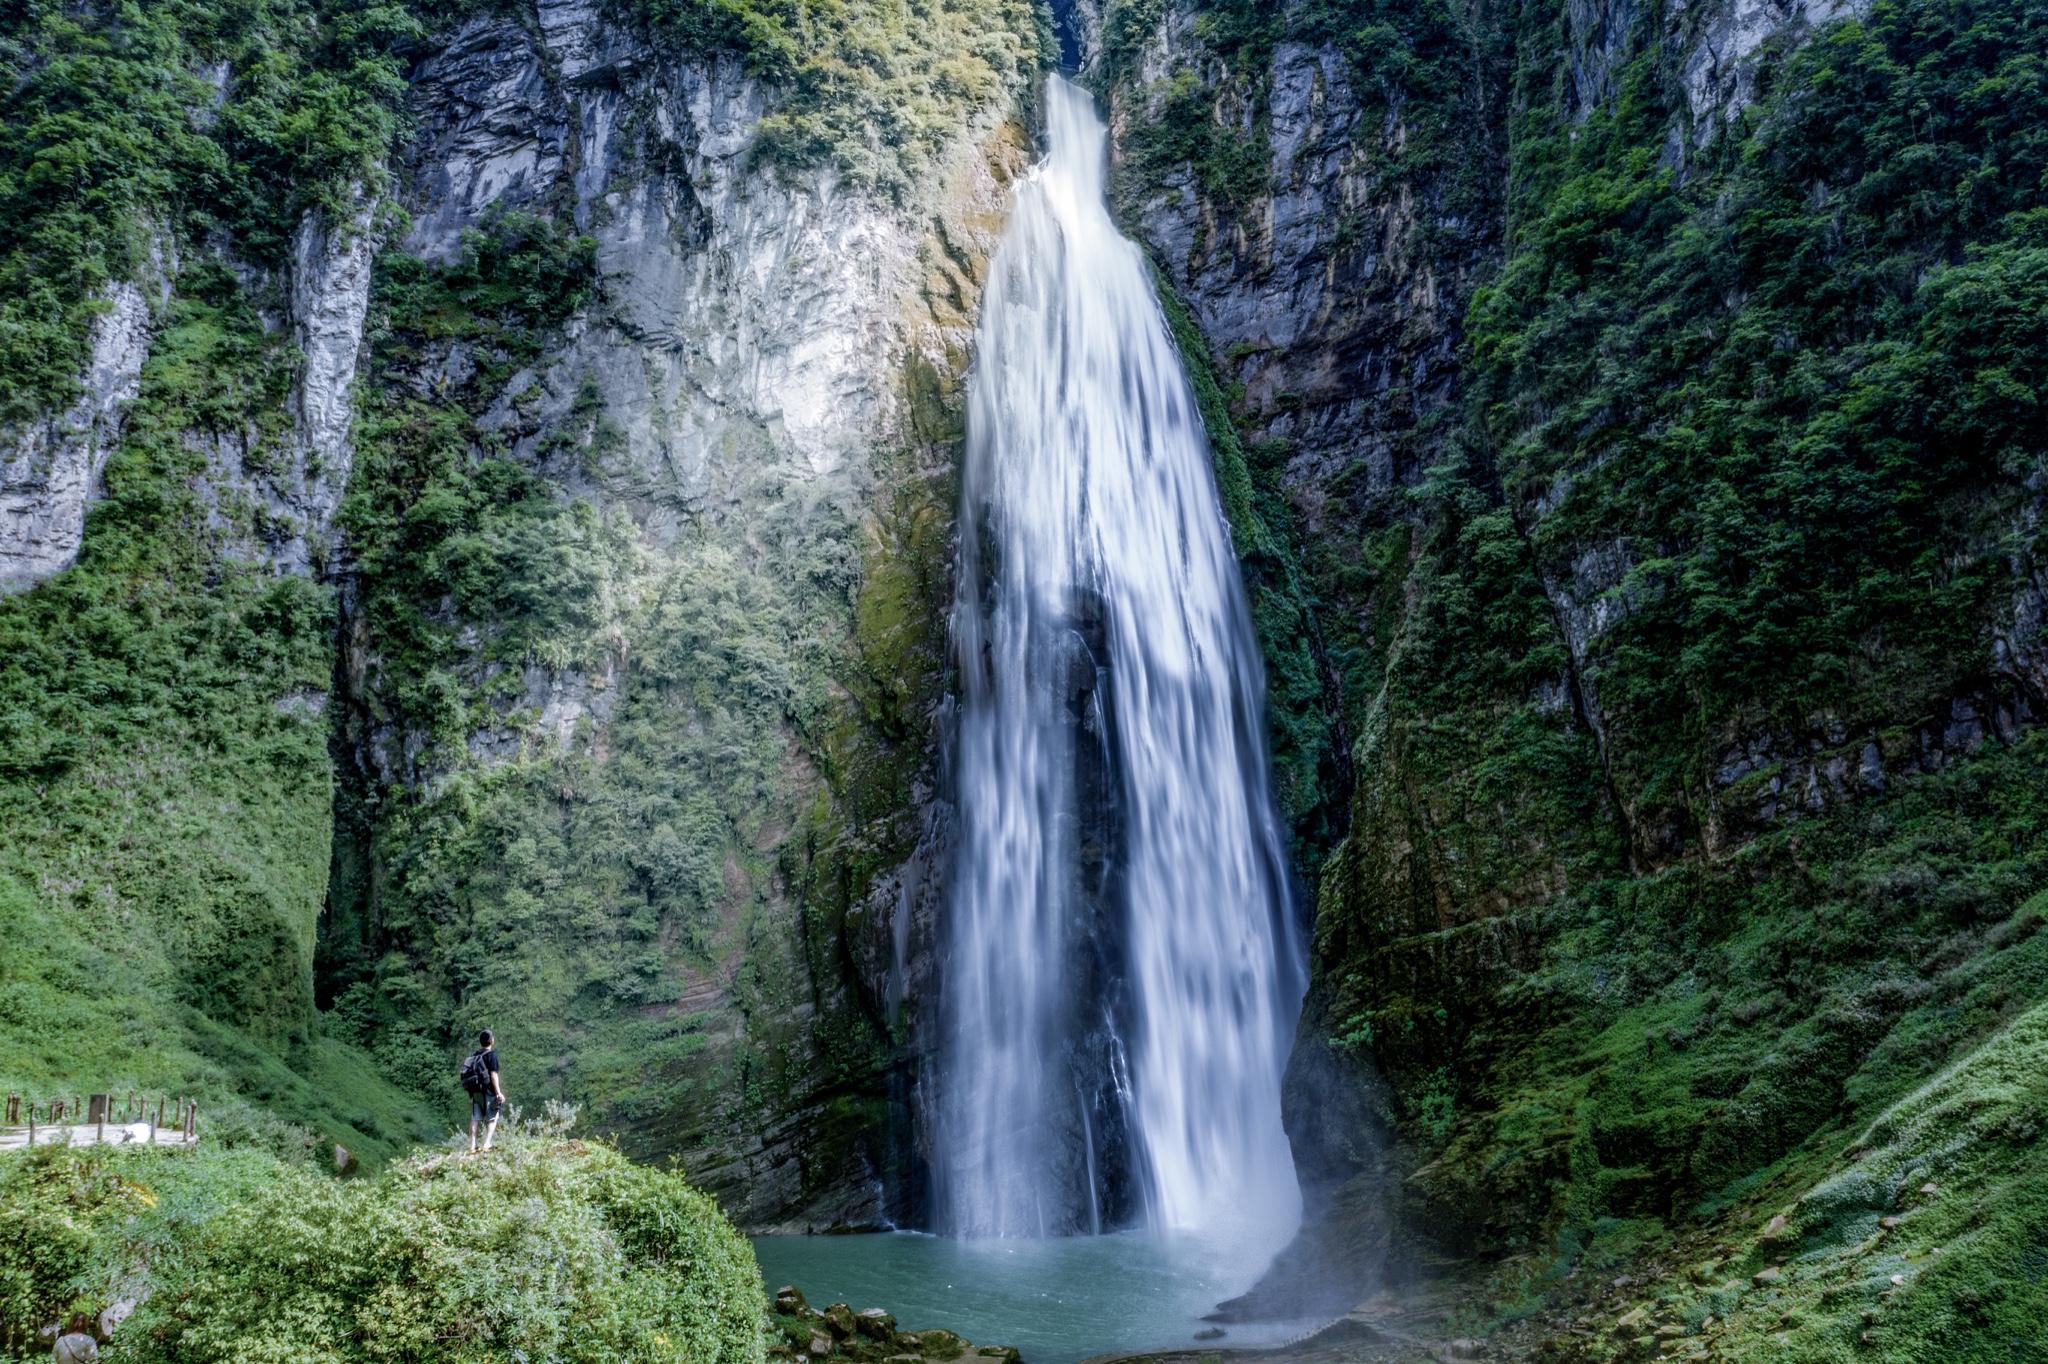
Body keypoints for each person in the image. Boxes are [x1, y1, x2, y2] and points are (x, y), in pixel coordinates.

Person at [462, 1029, 506, 1153]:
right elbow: (493, 1076)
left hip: (476, 1091)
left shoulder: (475, 1054)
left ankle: (473, 1146)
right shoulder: (492, 1055)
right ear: (492, 1041)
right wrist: (498, 1093)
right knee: (493, 1117)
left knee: (475, 1118)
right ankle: (486, 1144)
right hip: (488, 1092)